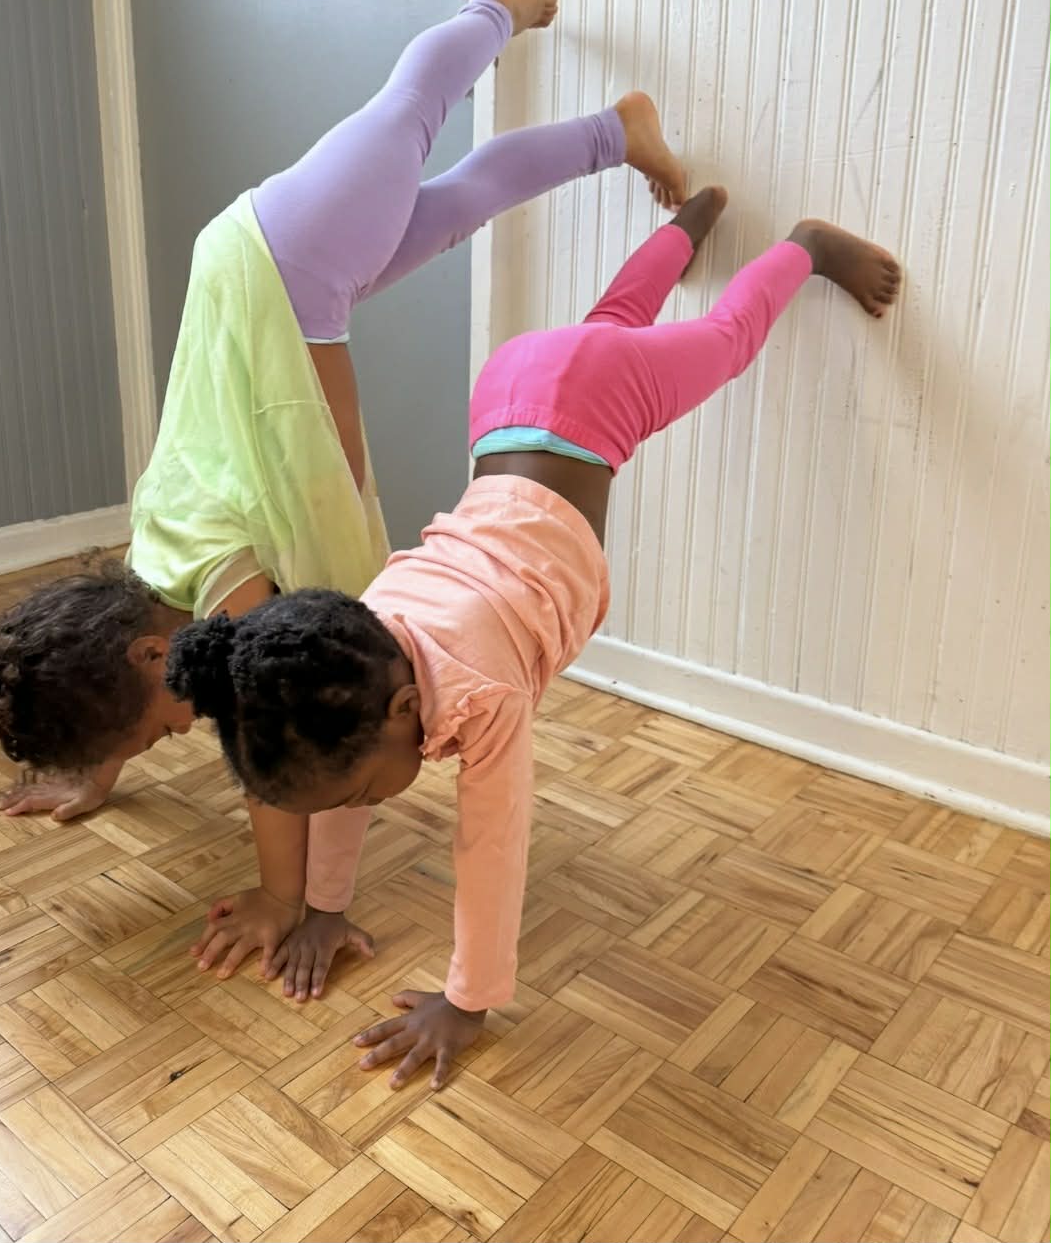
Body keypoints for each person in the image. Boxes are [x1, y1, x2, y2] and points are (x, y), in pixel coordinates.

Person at [0, 0, 688, 984]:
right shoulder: (156, 557)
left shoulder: (230, 595)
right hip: (258, 275)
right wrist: (95, 777)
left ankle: (495, 11)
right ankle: (617, 130)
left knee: (408, 110)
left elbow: (270, 752)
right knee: (460, 202)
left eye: (161, 728)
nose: (183, 730)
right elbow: (131, 681)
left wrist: (283, 898)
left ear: (153, 653)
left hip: (287, 275)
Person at [165, 185, 902, 1090]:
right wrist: (321, 908)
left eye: (359, 788)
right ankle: (686, 226)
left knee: (725, 341)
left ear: (407, 708)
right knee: (611, 321)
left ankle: (806, 247)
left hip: (586, 405)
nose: (366, 801)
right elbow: (345, 782)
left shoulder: (481, 693)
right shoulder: (362, 642)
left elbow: (493, 843)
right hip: (514, 386)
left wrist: (465, 1000)